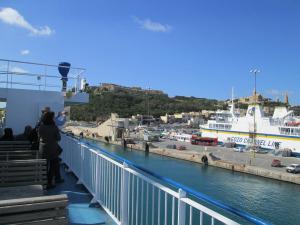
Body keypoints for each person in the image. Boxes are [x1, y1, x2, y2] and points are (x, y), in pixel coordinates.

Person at [38, 111, 63, 188]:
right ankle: (49, 182)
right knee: (53, 166)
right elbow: (58, 138)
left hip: (43, 149)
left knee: (44, 166)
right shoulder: (54, 127)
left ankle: (43, 182)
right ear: (51, 118)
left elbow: (39, 137)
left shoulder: (41, 126)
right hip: (52, 149)